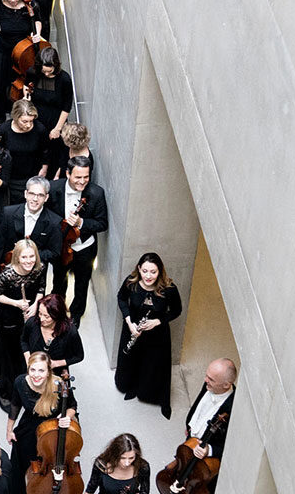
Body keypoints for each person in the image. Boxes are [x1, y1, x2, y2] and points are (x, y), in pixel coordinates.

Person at [114, 252, 184, 419]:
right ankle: (130, 386)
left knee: (152, 365)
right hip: (134, 330)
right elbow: (121, 298)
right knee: (131, 360)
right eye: (145, 271)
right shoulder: (131, 282)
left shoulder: (169, 288)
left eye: (153, 272)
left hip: (157, 335)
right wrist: (129, 322)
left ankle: (147, 392)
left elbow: (176, 310)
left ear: (160, 271)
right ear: (139, 268)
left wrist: (158, 321)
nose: (148, 276)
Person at [47, 156, 108, 325]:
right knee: (58, 280)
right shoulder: (53, 188)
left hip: (85, 248)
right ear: (68, 173)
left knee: (82, 285)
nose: (82, 182)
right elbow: (46, 215)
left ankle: (75, 315)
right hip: (60, 246)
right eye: (78, 177)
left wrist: (82, 223)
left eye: (86, 177)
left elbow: (102, 223)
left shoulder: (96, 193)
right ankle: (56, 309)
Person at [5, 352, 77, 494]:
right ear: (28, 368)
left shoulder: (60, 385)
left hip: (51, 431)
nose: (36, 375)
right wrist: (9, 430)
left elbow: (72, 406)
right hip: (28, 427)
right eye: (33, 369)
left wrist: (67, 417)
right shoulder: (20, 382)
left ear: (49, 371)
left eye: (41, 370)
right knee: (19, 465)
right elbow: (15, 406)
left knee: (48, 467)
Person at [0, 239, 44, 409]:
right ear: (17, 257)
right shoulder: (7, 275)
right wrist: (17, 303)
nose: (28, 261)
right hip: (10, 318)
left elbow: (41, 287)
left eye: (32, 257)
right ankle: (6, 390)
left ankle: (26, 384)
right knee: (10, 355)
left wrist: (35, 305)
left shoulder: (39, 269)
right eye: (24, 257)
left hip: (31, 314)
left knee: (26, 351)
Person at [0, 0, 42, 122]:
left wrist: (37, 33)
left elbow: (38, 21)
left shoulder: (31, 5)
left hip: (23, 50)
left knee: (19, 82)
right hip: (2, 48)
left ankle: (15, 110)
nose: (12, 0)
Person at [0, 176, 61, 279]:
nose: (35, 199)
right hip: (8, 270)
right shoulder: (8, 213)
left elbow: (54, 252)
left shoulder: (54, 222)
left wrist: (30, 255)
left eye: (40, 195)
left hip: (36, 275)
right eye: (32, 194)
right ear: (26, 194)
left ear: (46, 198)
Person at [182, 359, 236, 493]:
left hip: (205, 458)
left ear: (226, 384)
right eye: (206, 375)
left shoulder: (233, 408)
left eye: (211, 379)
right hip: (191, 441)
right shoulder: (209, 384)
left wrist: (209, 450)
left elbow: (231, 447)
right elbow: (200, 406)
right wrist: (191, 427)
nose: (206, 380)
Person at [28, 47, 74, 171]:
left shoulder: (64, 79)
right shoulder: (33, 72)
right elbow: (26, 86)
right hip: (36, 120)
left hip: (56, 121)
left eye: (50, 71)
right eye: (44, 72)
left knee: (54, 153)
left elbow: (67, 106)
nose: (47, 74)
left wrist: (57, 129)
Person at [20, 294, 84, 378]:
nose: (41, 319)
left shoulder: (70, 332)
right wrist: (29, 359)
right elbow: (23, 340)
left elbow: (79, 356)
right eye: (40, 313)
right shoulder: (32, 323)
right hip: (33, 371)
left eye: (46, 316)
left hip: (55, 374)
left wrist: (55, 363)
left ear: (57, 316)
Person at [0, 99, 49, 203]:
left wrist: (44, 168)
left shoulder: (40, 129)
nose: (29, 125)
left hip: (32, 175)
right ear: (16, 118)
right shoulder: (4, 130)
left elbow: (46, 151)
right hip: (10, 177)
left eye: (31, 121)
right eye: (24, 121)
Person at [85, 433, 150, 494]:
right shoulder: (101, 464)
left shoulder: (143, 467)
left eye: (131, 458)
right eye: (122, 458)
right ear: (115, 455)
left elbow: (144, 491)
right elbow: (90, 489)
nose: (127, 463)